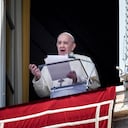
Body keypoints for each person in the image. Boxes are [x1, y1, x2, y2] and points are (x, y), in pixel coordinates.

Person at [29, 32, 101, 98]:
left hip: (79, 101)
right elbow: (43, 94)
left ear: (73, 46)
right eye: (59, 43)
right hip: (56, 104)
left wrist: (77, 79)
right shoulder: (48, 64)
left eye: (65, 43)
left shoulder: (84, 60)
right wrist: (38, 77)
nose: (61, 46)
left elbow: (95, 85)